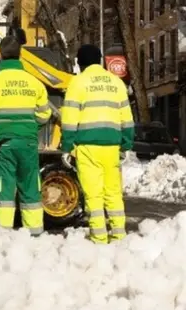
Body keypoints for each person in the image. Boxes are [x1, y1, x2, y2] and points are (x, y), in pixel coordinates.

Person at [0, 36, 52, 236]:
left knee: (4, 191)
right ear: (20, 55)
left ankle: (3, 236)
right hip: (28, 144)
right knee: (31, 189)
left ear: (0, 55)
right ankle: (35, 235)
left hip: (2, 146)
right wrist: (28, 128)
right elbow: (44, 115)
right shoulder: (34, 83)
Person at [60, 44, 133, 244]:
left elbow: (69, 119)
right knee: (113, 193)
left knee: (94, 195)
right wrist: (125, 144)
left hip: (87, 147)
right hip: (112, 146)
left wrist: (66, 147)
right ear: (100, 60)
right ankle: (119, 236)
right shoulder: (116, 83)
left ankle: (99, 238)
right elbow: (127, 118)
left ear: (80, 63)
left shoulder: (78, 82)